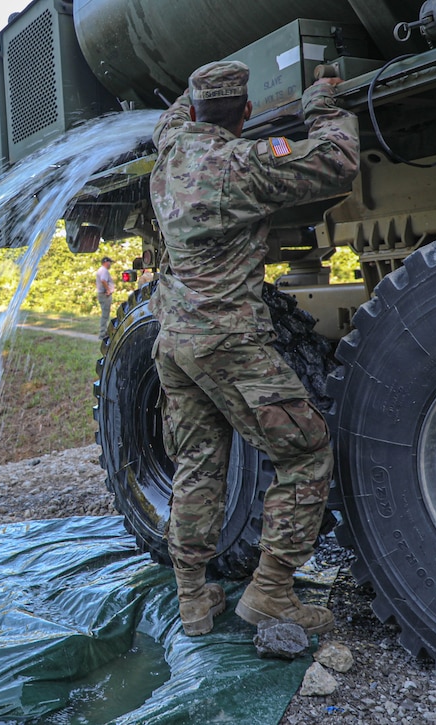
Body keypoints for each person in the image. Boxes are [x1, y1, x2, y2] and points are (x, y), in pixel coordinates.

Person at [148, 60, 359, 637]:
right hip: (228, 344)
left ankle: (193, 599)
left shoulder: (170, 150)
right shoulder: (240, 164)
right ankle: (270, 593)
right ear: (245, 114)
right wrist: (323, 102)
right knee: (306, 450)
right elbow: (337, 162)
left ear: (192, 111)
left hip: (174, 343)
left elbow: (168, 119)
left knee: (197, 463)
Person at [95, 256, 115, 339]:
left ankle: (104, 331)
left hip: (102, 294)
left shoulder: (101, 270)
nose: (110, 264)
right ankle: (102, 333)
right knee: (105, 314)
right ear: (106, 262)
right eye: (109, 262)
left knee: (105, 313)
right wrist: (108, 290)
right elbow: (103, 280)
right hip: (104, 294)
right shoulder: (104, 271)